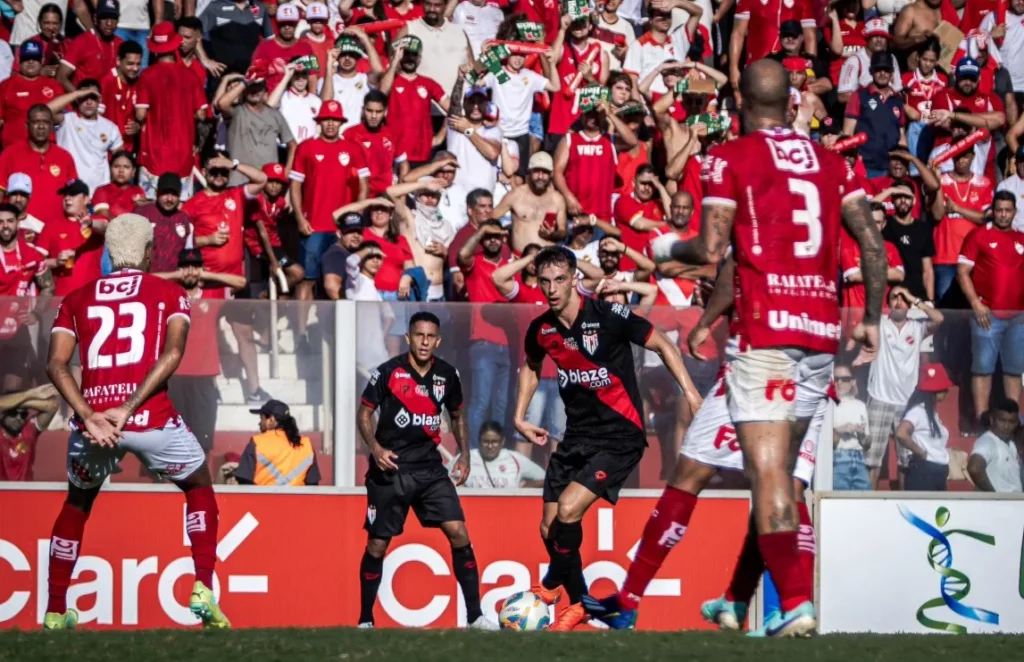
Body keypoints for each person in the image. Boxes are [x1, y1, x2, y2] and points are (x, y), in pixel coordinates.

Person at [650, 59, 888, 637]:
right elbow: (873, 245)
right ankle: (735, 600)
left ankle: (799, 603)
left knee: (769, 476)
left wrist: (662, 250)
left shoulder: (729, 157)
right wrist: (873, 320)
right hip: (819, 337)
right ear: (789, 104)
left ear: (739, 106)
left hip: (765, 337)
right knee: (781, 476)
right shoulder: (835, 163)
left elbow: (709, 250)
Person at [583, 256, 823, 631]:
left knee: (688, 476)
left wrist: (707, 319)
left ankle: (628, 600)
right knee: (786, 488)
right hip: (813, 362)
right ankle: (783, 606)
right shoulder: (825, 216)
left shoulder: (755, 217)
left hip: (756, 365)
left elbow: (723, 262)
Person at [43, 213, 228, 630]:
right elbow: (173, 354)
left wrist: (90, 415)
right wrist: (127, 409)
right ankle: (202, 587)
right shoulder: (168, 292)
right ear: (148, 253)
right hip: (150, 420)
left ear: (109, 254)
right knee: (199, 485)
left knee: (77, 503)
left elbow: (55, 365)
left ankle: (55, 612)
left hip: (94, 427)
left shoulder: (75, 297)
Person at [514, 245, 702, 631]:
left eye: (559, 280)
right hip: (576, 436)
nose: (551, 289)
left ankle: (550, 587)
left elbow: (663, 343)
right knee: (548, 528)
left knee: (568, 511)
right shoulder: (542, 329)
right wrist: (519, 416)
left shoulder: (607, 315)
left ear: (574, 280)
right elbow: (532, 366)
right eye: (544, 281)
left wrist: (692, 394)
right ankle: (583, 605)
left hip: (620, 436)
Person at [356, 311, 496, 630]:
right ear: (408, 338)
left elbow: (458, 415)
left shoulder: (447, 374)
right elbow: (364, 414)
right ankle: (365, 619)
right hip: (391, 470)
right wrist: (375, 450)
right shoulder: (388, 372)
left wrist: (464, 455)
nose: (424, 341)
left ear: (438, 340)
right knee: (377, 545)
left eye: (430, 336)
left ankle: (474, 617)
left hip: (430, 470)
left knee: (459, 532)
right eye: (418, 335)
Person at [290, 99, 369, 338]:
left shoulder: (354, 149)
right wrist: (299, 218)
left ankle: (343, 330)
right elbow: (295, 186)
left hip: (344, 230)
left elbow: (364, 187)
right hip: (313, 225)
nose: (331, 124)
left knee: (342, 280)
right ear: (319, 122)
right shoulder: (306, 148)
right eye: (327, 120)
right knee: (308, 279)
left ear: (342, 122)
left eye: (336, 120)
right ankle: (301, 335)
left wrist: (358, 218)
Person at [956, 190, 1024, 421]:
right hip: (987, 316)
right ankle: (982, 420)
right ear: (992, 211)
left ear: (1015, 212)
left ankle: (1013, 421)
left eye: (1008, 210)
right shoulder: (978, 236)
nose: (1003, 214)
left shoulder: (1021, 239)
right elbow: (962, 272)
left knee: (1014, 371)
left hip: (1018, 319)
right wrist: (976, 303)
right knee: (983, 369)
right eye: (999, 210)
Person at [135, 22, 208, 201]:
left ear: (154, 49)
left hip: (154, 153)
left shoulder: (146, 75)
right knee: (180, 206)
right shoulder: (190, 75)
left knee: (150, 206)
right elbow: (202, 114)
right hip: (183, 154)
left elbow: (140, 115)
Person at [0, 104, 78, 225]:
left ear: (52, 126)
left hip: (56, 231)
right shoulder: (10, 154)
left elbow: (74, 197)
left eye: (46, 122)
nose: (41, 126)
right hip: (20, 231)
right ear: (27, 126)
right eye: (36, 122)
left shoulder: (64, 157)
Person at [48, 82, 124, 194]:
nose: (88, 102)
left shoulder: (110, 127)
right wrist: (77, 93)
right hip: (70, 191)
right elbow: (45, 110)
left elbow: (120, 157)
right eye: (84, 97)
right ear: (77, 99)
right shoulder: (67, 120)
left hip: (100, 194)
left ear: (99, 100)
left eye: (93, 97)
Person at [492, 151, 566, 253]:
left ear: (551, 174)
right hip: (520, 258)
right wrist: (501, 236)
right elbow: (492, 218)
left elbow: (563, 232)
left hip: (547, 259)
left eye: (545, 172)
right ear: (529, 172)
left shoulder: (557, 199)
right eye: (536, 171)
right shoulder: (516, 195)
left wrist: (552, 234)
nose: (540, 176)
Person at [234, 399, 322, 485]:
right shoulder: (306, 445)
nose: (259, 423)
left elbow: (244, 480)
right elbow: (312, 483)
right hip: (296, 499)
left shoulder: (257, 443)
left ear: (271, 420)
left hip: (263, 499)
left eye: (261, 418)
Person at [895, 363, 953, 491]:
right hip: (925, 472)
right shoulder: (918, 411)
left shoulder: (932, 414)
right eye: (943, 388)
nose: (947, 391)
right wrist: (920, 451)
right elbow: (901, 433)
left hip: (938, 472)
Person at [0, 41, 63, 149]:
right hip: (14, 150)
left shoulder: (54, 86)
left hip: (47, 150)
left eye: (35, 58)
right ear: (19, 60)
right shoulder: (5, 86)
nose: (30, 62)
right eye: (26, 58)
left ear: (42, 60)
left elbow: (64, 118)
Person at [448, 420, 546, 488]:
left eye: (494, 442)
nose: (490, 446)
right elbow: (441, 475)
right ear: (479, 441)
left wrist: (524, 489)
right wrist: (459, 487)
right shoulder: (467, 458)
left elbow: (545, 479)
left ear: (502, 442)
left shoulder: (515, 459)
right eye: (486, 441)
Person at [0, 384, 60, 481]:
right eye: (13, 413)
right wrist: (29, 394)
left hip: (26, 492)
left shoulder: (29, 429)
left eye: (23, 414)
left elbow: (53, 405)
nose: (19, 418)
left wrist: (18, 403)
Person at [968, 398, 1023, 492]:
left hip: (1015, 503)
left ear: (1017, 423)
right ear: (992, 420)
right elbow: (974, 468)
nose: (1006, 426)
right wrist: (993, 496)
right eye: (1002, 420)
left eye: (1011, 422)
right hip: (999, 504)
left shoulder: (1011, 443)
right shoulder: (987, 441)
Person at [832, 363, 872, 491]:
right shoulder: (827, 405)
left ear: (853, 381)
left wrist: (862, 435)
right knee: (839, 501)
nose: (839, 382)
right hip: (838, 459)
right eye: (835, 378)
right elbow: (826, 446)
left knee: (865, 502)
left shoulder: (860, 405)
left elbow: (867, 444)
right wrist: (840, 431)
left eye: (845, 379)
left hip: (859, 458)